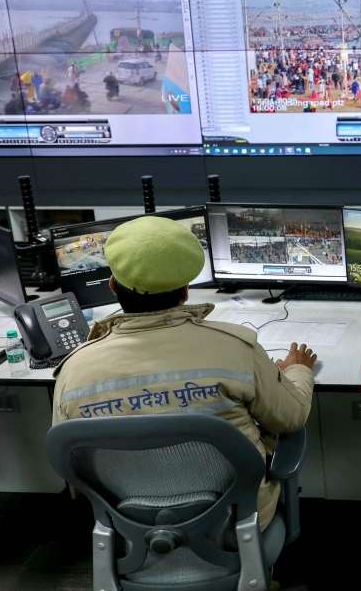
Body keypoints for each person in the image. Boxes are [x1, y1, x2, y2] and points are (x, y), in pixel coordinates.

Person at [52, 217, 317, 532]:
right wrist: (298, 369)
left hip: (129, 524)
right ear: (185, 290)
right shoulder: (234, 347)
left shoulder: (73, 369)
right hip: (237, 525)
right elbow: (290, 419)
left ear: (112, 286)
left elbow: (69, 462)